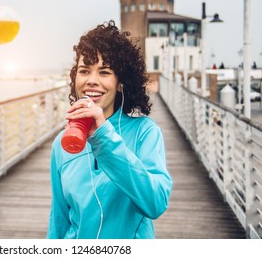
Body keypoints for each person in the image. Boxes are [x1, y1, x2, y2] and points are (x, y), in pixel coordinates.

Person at [47, 20, 173, 239]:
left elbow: (155, 203)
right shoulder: (61, 143)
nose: (92, 81)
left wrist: (103, 135)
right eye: (84, 70)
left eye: (104, 72)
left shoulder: (145, 133)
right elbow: (59, 218)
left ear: (121, 82)